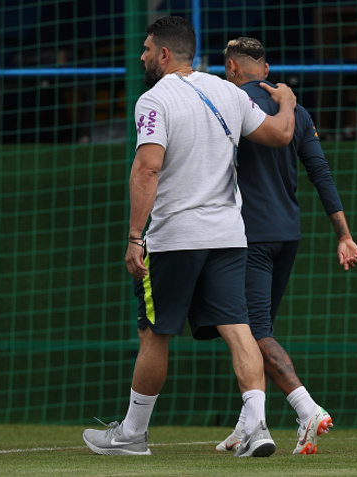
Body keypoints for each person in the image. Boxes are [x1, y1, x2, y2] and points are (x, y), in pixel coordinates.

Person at [82, 18, 298, 457]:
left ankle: (133, 435)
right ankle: (257, 428)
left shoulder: (154, 99)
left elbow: (147, 169)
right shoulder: (228, 92)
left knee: (154, 334)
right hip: (227, 236)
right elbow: (281, 133)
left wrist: (133, 237)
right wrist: (288, 101)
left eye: (146, 49)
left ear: (164, 54)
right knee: (239, 330)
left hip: (174, 238)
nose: (141, 56)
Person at [215, 37, 357, 455]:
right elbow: (320, 172)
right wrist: (344, 235)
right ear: (265, 67)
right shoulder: (292, 110)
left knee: (252, 332)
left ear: (231, 67)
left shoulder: (228, 103)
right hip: (287, 236)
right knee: (254, 332)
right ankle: (247, 425)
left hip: (247, 238)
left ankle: (306, 408)